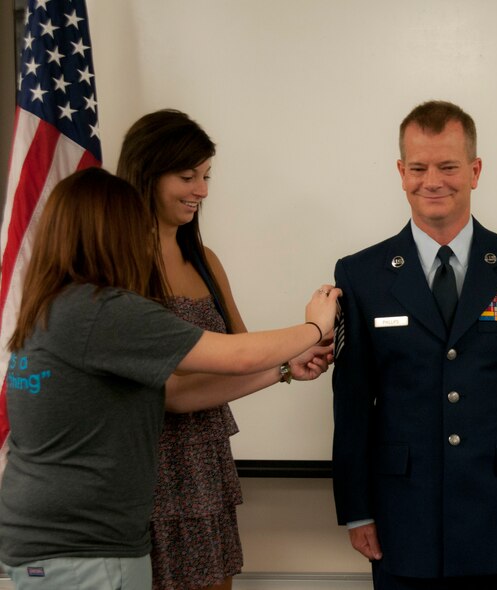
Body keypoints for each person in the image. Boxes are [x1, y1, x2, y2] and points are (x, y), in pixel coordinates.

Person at [0, 167, 341, 590]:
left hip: (50, 543)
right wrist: (314, 327)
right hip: (85, 551)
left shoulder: (55, 308)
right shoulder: (105, 312)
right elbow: (231, 354)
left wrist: (284, 368)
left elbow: (175, 395)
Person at [332, 100, 497, 589]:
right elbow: (353, 404)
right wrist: (356, 510)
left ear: (475, 170)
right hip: (402, 512)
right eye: (418, 168)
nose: (433, 181)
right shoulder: (360, 275)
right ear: (401, 172)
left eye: (448, 166)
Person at [115, 109, 333, 590]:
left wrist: (287, 366)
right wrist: (309, 330)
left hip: (205, 467)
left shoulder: (204, 259)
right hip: (147, 473)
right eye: (187, 176)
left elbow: (240, 356)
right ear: (147, 172)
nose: (202, 191)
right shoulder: (119, 265)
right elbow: (171, 392)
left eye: (207, 176)